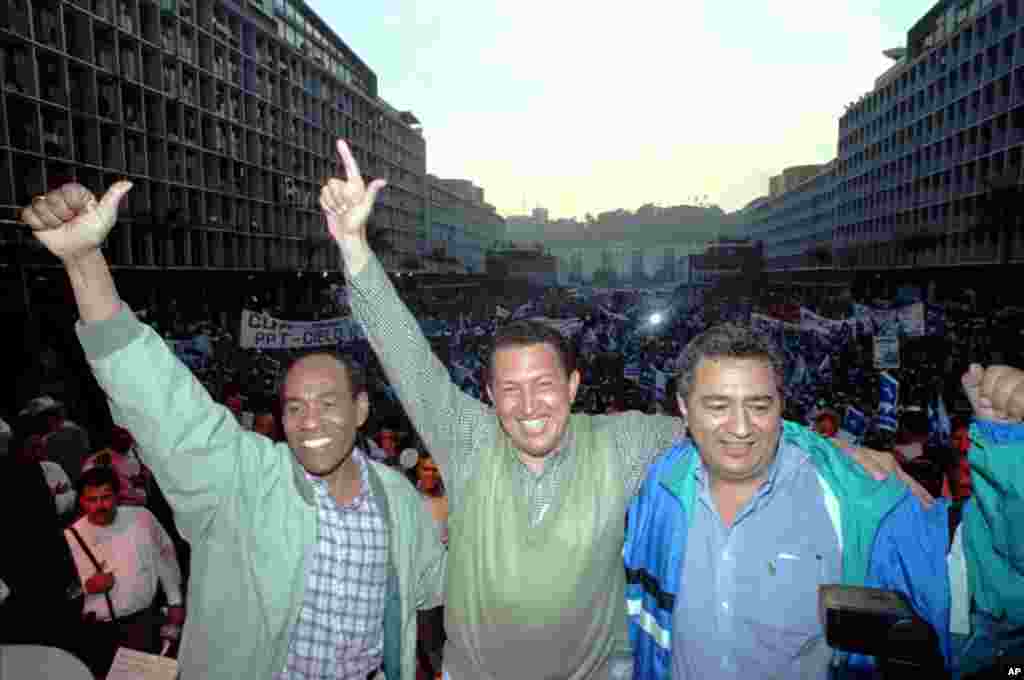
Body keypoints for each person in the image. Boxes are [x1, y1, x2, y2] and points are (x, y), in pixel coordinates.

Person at [317, 138, 926, 680]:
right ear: (488, 396)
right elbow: (406, 355)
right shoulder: (467, 440)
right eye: (510, 389)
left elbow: (725, 426)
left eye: (545, 385)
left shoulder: (621, 443)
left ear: (576, 385)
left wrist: (837, 450)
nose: (529, 405)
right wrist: (354, 248)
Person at [19, 180, 446, 679]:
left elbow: (446, 588)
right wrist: (84, 260)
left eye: (328, 403)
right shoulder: (240, 479)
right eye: (294, 407)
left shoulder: (399, 502)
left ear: (361, 410)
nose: (309, 421)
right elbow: (156, 395)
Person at [623, 324, 1024, 679]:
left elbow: (990, 582)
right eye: (717, 406)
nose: (741, 428)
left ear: (782, 405)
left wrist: (1008, 449)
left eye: (759, 405)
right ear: (682, 408)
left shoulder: (859, 498)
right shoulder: (655, 485)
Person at [66, 465, 185, 677]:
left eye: (106, 497)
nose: (99, 506)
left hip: (143, 624)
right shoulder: (70, 537)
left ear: (118, 495)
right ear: (81, 501)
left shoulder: (142, 518)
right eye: (91, 500)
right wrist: (86, 587)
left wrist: (174, 601)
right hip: (98, 634)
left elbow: (165, 557)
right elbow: (61, 591)